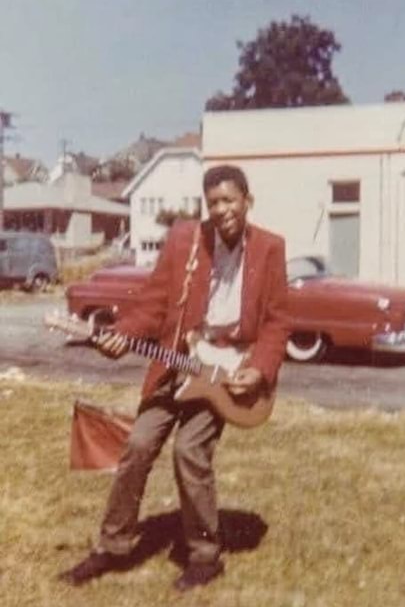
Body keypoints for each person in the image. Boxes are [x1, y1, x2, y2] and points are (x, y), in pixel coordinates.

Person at [60, 164, 289, 592]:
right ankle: (113, 546)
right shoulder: (185, 241)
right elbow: (153, 304)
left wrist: (259, 369)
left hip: (226, 370)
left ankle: (205, 555)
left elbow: (277, 321)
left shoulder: (270, 249)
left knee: (189, 450)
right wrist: (122, 334)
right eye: (214, 202)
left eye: (229, 200)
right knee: (138, 443)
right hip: (176, 364)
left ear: (247, 201)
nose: (221, 210)